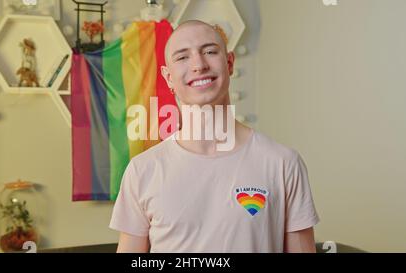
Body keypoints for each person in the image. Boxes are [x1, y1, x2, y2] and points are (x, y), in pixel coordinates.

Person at [109, 20, 320, 253]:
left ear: (229, 63)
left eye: (209, 51)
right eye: (182, 57)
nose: (198, 65)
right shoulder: (142, 171)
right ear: (168, 77)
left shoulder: (283, 163)